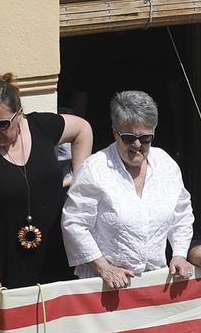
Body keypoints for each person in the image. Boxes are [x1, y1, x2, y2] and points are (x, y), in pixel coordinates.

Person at [0, 74, 91, 295]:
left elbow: (82, 129)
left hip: (56, 251)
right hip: (8, 261)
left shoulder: (41, 126)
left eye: (2, 124)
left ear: (19, 115)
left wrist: (80, 178)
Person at [60, 91, 193, 287]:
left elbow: (181, 213)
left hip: (154, 281)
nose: (137, 145)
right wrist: (104, 267)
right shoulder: (95, 169)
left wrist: (180, 254)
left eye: (146, 138)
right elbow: (74, 224)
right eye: (129, 138)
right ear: (115, 132)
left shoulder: (166, 164)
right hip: (106, 284)